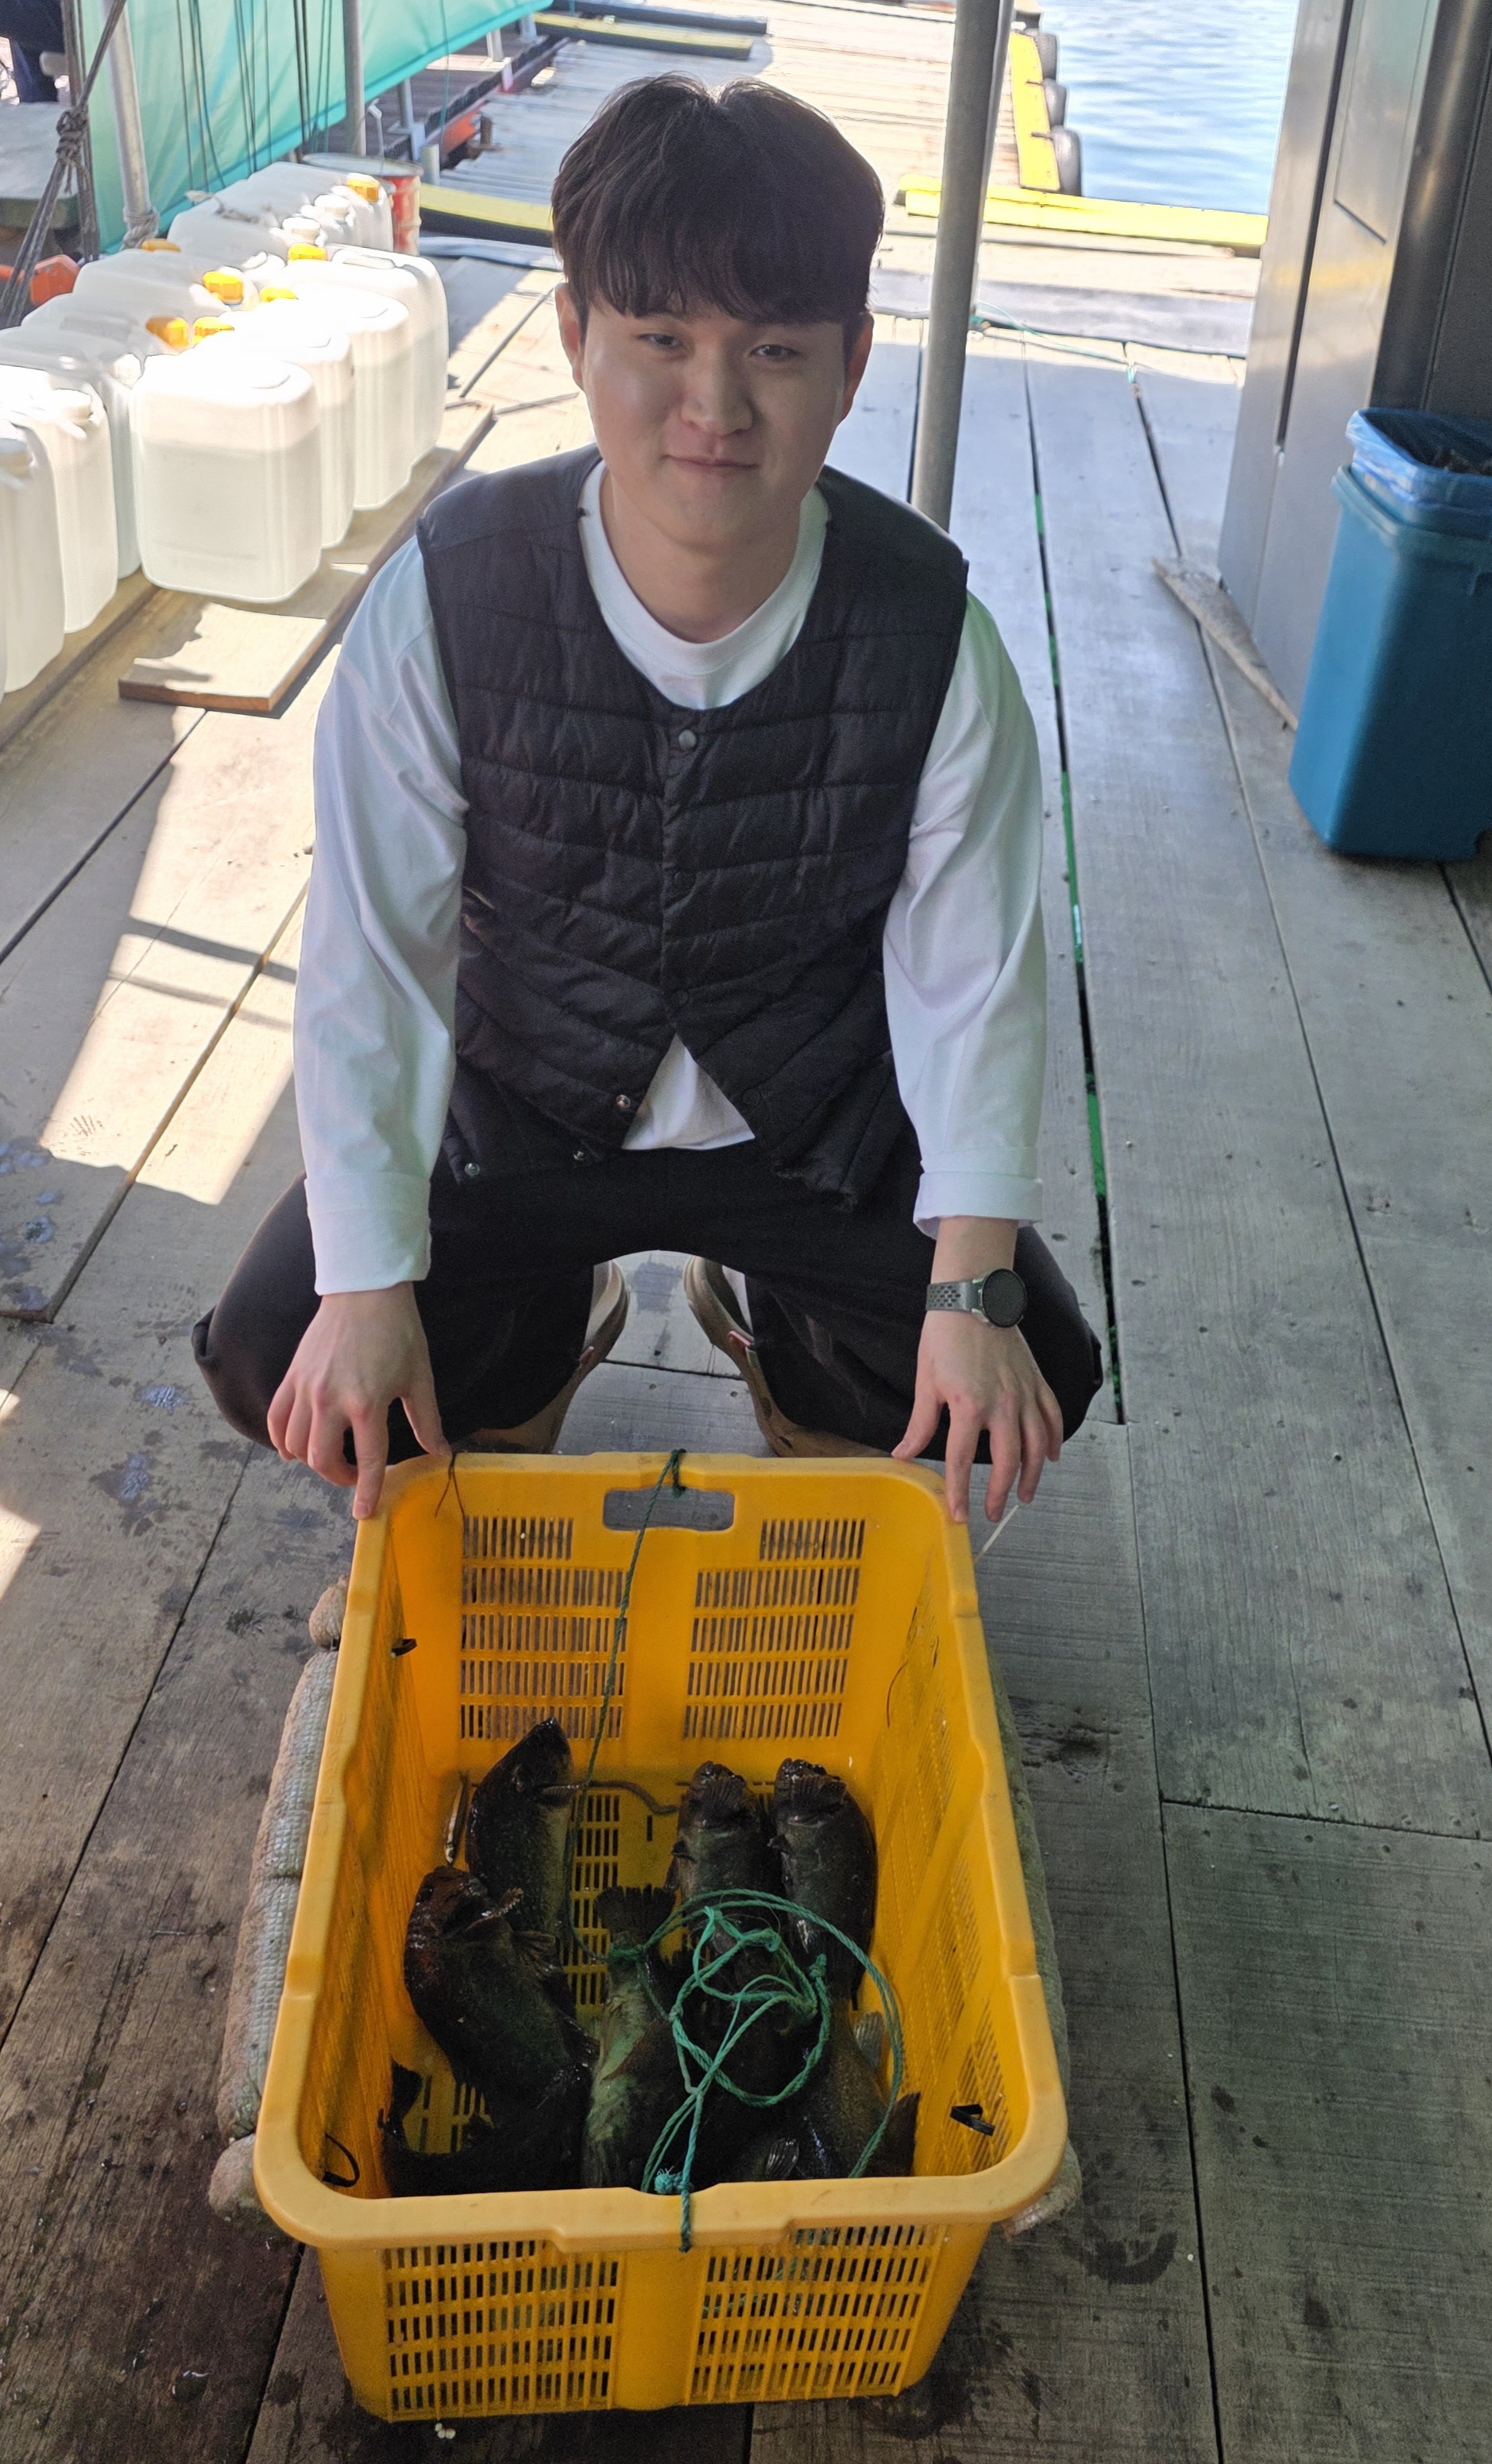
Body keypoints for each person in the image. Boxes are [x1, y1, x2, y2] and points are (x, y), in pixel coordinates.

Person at [194, 75, 1102, 1529]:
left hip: (808, 1136)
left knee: (1027, 1357)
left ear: (853, 364)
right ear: (575, 336)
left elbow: (972, 979)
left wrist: (971, 1291)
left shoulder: (933, 633)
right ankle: (528, 1356)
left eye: (775, 348)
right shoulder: (443, 601)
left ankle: (794, 1359)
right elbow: (374, 961)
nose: (715, 405)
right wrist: (366, 1289)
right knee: (278, 1341)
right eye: (661, 339)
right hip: (524, 1114)